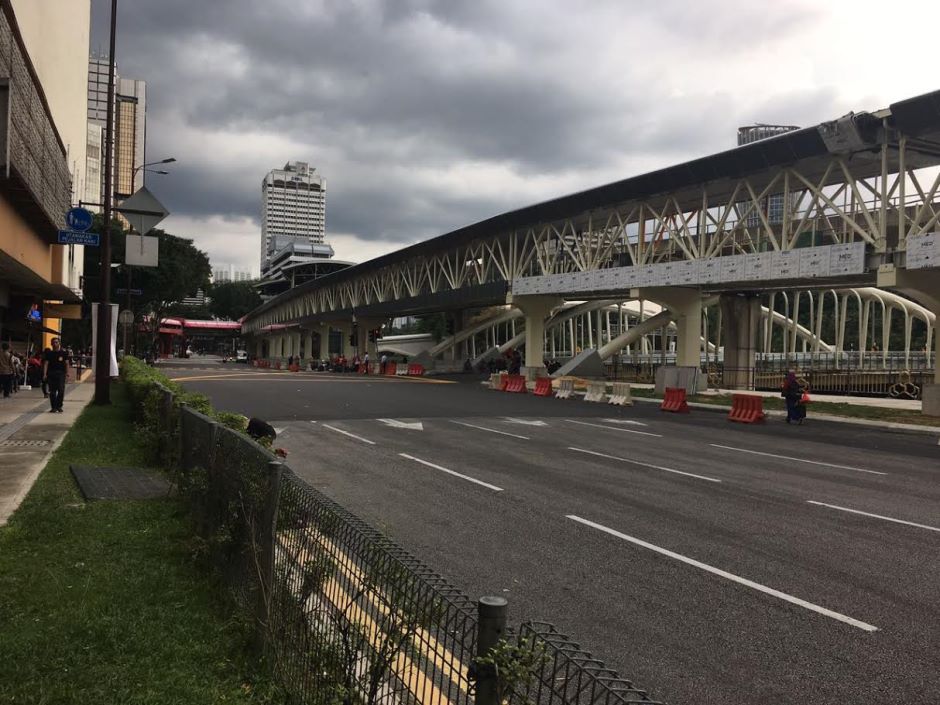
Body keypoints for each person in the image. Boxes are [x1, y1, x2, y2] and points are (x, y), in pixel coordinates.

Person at [43, 338, 70, 413]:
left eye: (56, 342)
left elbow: (67, 363)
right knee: (52, 392)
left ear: (59, 343)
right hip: (51, 374)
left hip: (61, 373)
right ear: (51, 344)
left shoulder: (64, 353)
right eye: (53, 343)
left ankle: (59, 406)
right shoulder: (49, 353)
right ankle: (54, 407)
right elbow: (46, 364)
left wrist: (67, 373)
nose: (55, 344)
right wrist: (44, 374)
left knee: (61, 390)